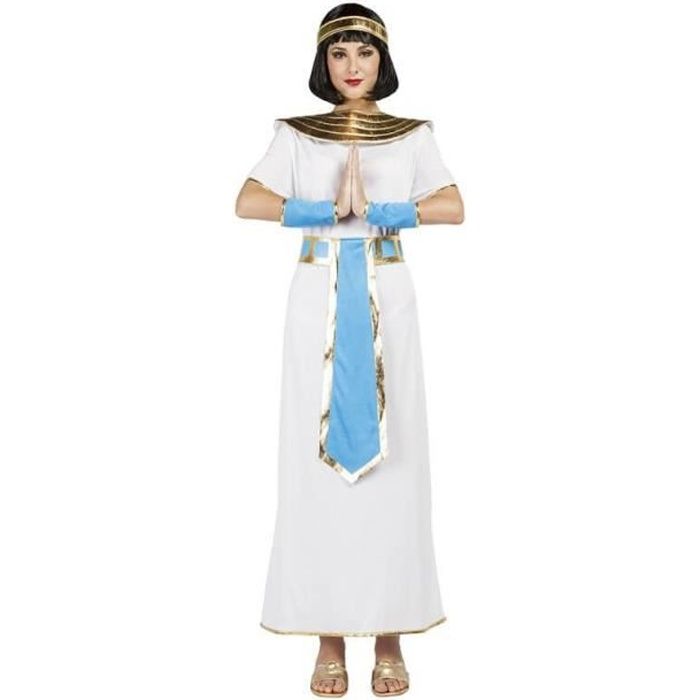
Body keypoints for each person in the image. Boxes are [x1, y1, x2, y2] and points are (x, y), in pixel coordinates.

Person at [234, 4, 464, 697]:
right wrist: (323, 209)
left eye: (364, 53)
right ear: (324, 63)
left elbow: (452, 205)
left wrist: (385, 211)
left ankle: (391, 634)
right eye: (340, 54)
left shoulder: (410, 135)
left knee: (397, 463)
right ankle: (328, 636)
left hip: (387, 297)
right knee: (315, 468)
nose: (353, 66)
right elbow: (248, 200)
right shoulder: (297, 136)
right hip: (318, 298)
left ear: (382, 61)